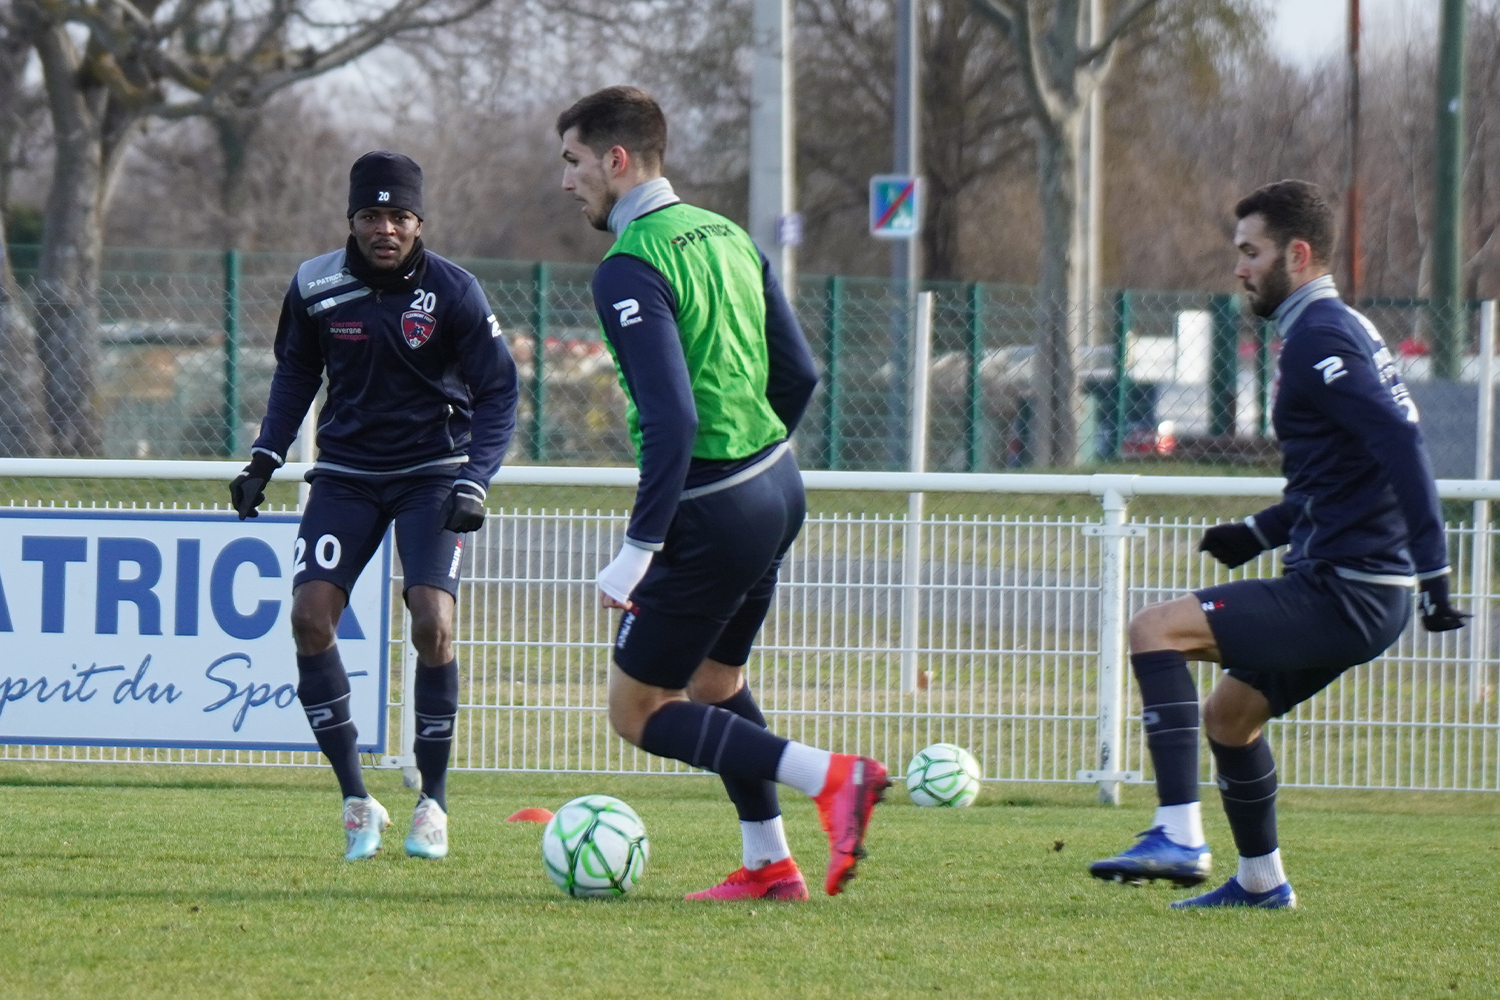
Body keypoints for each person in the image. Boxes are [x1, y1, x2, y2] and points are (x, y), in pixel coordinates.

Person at [1089, 179, 1468, 909]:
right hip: (1363, 590)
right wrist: (1260, 532)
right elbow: (1345, 473)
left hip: (1346, 590)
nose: (1239, 268)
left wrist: (1437, 572)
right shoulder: (1340, 328)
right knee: (1230, 717)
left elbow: (1400, 443)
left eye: (1251, 252)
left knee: (1153, 630)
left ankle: (1178, 834)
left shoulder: (1320, 336)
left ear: (1296, 254)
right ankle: (1262, 882)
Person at [557, 85, 890, 901]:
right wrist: (753, 460)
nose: (566, 181)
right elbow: (802, 373)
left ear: (617, 160)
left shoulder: (630, 264)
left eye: (572, 162)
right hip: (777, 484)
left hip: (716, 506)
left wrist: (637, 553)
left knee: (638, 711)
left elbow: (670, 418)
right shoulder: (729, 235)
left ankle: (833, 776)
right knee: (716, 683)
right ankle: (770, 865)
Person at [229, 151, 518, 861]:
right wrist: (266, 456)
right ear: (351, 220)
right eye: (370, 216)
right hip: (347, 475)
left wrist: (476, 477)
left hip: (431, 474)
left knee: (432, 622)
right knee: (307, 617)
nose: (384, 228)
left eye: (398, 216)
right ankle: (358, 800)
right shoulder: (315, 284)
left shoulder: (454, 291)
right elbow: (297, 370)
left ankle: (434, 805)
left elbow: (500, 392)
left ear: (419, 221)